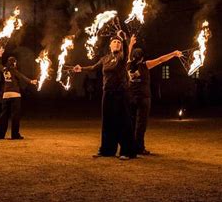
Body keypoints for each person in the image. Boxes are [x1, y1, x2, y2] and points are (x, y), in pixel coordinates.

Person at [73, 30, 136, 160]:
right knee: (107, 122)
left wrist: (124, 39)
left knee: (123, 121)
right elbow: (93, 67)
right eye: (114, 42)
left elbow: (126, 50)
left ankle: (127, 151)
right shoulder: (105, 59)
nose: (117, 44)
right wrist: (81, 69)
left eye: (119, 42)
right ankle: (107, 150)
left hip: (121, 93)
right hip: (107, 94)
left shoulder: (122, 58)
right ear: (110, 45)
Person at [127, 34, 182, 155]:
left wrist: (130, 44)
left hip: (131, 97)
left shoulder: (128, 64)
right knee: (141, 124)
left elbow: (128, 54)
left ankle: (131, 146)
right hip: (144, 98)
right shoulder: (145, 64)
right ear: (142, 57)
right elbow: (161, 59)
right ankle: (139, 148)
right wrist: (173, 53)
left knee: (131, 122)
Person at [0, 48, 37, 140]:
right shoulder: (13, 70)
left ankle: (0, 135)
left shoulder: (4, 70)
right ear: (14, 63)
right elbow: (21, 77)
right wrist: (31, 81)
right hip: (15, 94)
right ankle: (15, 135)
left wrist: (0, 55)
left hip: (6, 95)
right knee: (15, 116)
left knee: (4, 115)